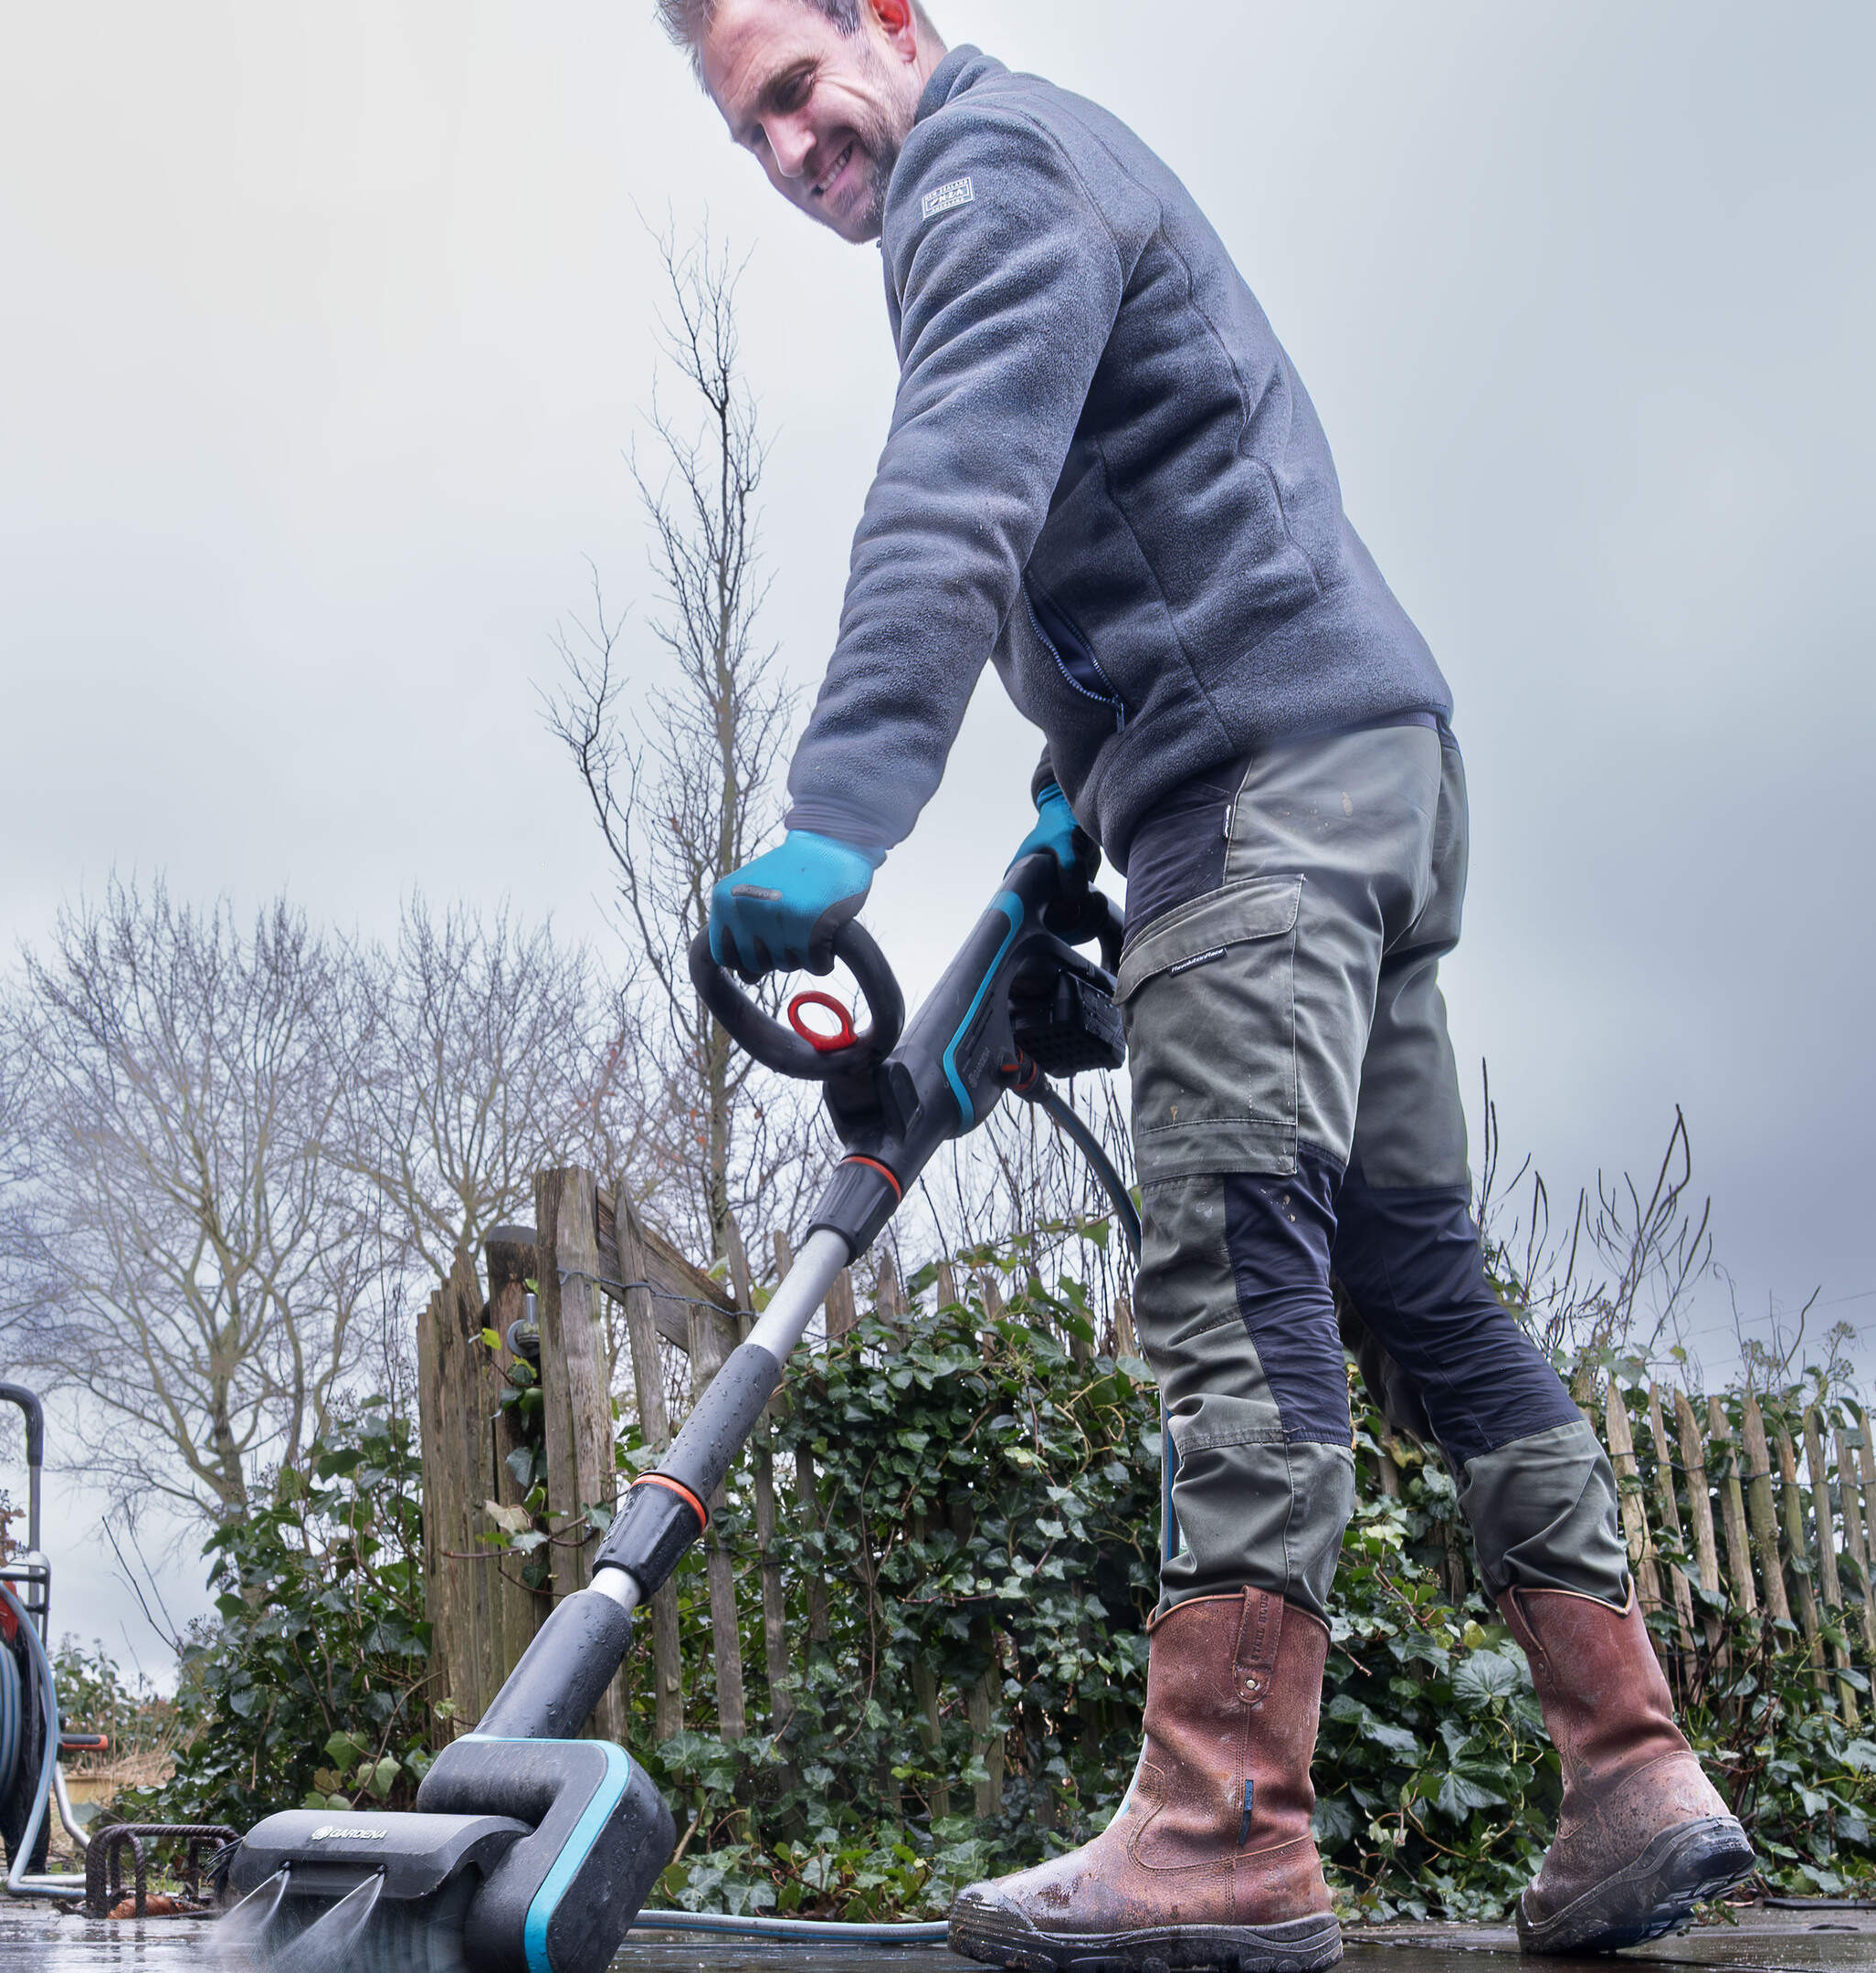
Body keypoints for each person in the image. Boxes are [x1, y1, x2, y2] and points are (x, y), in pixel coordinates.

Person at [659, 0, 1755, 1964]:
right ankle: (1634, 1771)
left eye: (802, 90)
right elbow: (1160, 515)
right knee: (1413, 1283)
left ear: (890, 26)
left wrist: (836, 824)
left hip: (1258, 790)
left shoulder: (979, 179)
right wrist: (1076, 798)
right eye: (751, 136)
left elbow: (951, 499)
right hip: (1371, 769)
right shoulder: (1067, 164)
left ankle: (1225, 1836)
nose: (794, 152)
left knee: (1234, 1276)